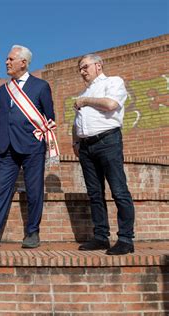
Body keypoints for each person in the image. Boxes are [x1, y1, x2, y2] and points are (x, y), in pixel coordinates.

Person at [0, 45, 56, 249]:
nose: (6, 63)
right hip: (6, 147)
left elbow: (50, 118)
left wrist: (39, 138)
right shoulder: (3, 90)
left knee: (34, 190)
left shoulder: (41, 86)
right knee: (0, 191)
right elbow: (4, 118)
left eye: (10, 59)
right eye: (7, 60)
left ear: (23, 62)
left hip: (32, 146)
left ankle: (33, 233)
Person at [73, 54, 135, 255]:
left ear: (98, 66)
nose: (82, 71)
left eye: (85, 67)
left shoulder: (113, 82)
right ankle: (101, 237)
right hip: (86, 147)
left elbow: (111, 105)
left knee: (118, 190)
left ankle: (126, 239)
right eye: (80, 69)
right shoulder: (84, 92)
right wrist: (76, 141)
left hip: (108, 142)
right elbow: (78, 121)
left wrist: (85, 101)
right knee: (95, 194)